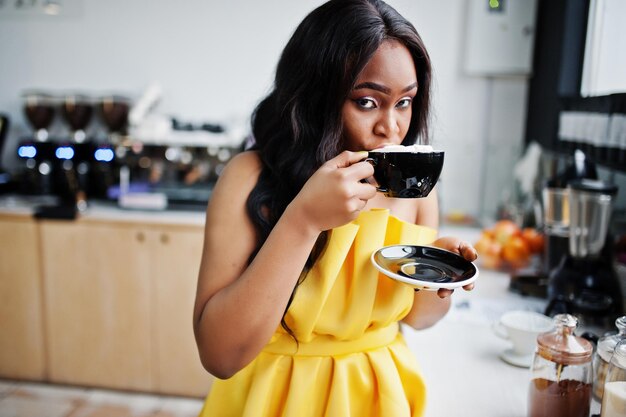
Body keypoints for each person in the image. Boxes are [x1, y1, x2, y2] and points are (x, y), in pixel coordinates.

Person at [193, 1, 477, 416]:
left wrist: (439, 278)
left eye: (404, 102)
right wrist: (304, 219)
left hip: (378, 395)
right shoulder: (250, 178)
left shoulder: (414, 189)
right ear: (314, 98)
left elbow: (418, 319)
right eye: (367, 102)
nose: (391, 128)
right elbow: (219, 356)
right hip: (273, 397)